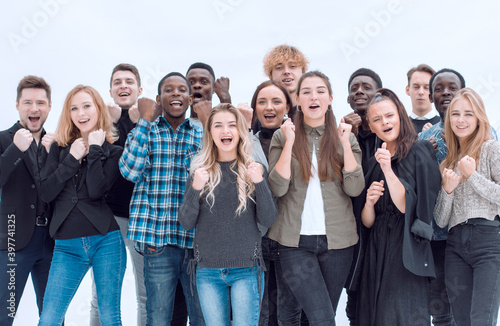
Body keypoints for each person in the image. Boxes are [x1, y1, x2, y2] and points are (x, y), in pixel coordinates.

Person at [268, 70, 364, 325]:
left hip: (338, 244)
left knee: (320, 317)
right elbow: (277, 188)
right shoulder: (282, 136)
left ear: (330, 98)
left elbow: (355, 189)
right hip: (294, 243)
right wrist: (289, 143)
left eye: (320, 91)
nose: (314, 96)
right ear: (297, 99)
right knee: (323, 320)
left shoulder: (346, 137)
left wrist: (345, 144)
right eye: (306, 92)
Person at [179, 103, 277, 326]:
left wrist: (259, 182)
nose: (226, 131)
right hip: (207, 271)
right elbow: (186, 222)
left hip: (247, 270)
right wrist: (195, 188)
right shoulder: (199, 172)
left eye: (232, 125)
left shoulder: (252, 169)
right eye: (218, 126)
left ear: (240, 131)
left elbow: (269, 219)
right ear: (210, 132)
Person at [119, 72, 205, 326]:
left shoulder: (201, 134)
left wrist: (210, 121)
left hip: (195, 243)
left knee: (202, 316)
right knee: (158, 317)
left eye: (181, 90)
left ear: (189, 98)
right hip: (157, 242)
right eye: (169, 90)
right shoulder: (146, 130)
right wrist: (145, 118)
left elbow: (218, 178)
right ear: (159, 98)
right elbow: (130, 171)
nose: (175, 93)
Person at [38, 85, 126, 325]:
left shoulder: (114, 151)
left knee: (109, 316)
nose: (81, 113)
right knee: (49, 318)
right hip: (66, 246)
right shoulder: (58, 147)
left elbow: (97, 191)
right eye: (74, 108)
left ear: (97, 109)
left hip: (105, 241)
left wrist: (95, 149)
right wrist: (72, 158)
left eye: (87, 106)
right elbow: (46, 193)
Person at [357, 88, 440, 325]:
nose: (385, 122)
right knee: (374, 315)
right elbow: (367, 221)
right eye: (377, 119)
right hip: (376, 246)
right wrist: (369, 204)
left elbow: (410, 208)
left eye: (389, 115)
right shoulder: (374, 161)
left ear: (400, 116)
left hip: (406, 247)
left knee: (400, 314)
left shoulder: (419, 150)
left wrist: (388, 170)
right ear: (371, 127)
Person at [434, 87, 500, 326]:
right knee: (461, 321)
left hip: (489, 242)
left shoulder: (492, 148)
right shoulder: (447, 162)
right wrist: (448, 190)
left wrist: (472, 176)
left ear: (479, 117)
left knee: (481, 320)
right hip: (455, 245)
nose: (461, 120)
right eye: (455, 114)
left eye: (468, 114)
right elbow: (441, 220)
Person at [89, 63, 146, 326]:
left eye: (129, 81)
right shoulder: (99, 123)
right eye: (117, 82)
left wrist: (139, 123)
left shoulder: (151, 122)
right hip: (109, 216)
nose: (123, 85)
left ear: (139, 89)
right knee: (102, 296)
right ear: (111, 92)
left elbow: (147, 163)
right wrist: (110, 122)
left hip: (143, 217)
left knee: (147, 295)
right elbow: (94, 164)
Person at [246, 80, 303, 326]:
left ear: (288, 107)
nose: (269, 107)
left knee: (290, 311)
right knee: (257, 311)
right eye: (262, 102)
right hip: (254, 238)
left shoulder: (301, 142)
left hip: (291, 237)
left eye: (276, 101)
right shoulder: (244, 142)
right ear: (254, 109)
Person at [0, 75, 55, 325]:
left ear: (49, 106)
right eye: (28, 103)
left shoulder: (55, 143)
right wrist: (14, 149)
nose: (34, 109)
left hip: (51, 243)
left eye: (41, 103)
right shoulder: (3, 139)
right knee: (5, 313)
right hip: (14, 242)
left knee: (53, 315)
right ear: (17, 105)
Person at [343, 68, 383, 326]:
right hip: (353, 228)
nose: (359, 91)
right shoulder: (342, 134)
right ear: (348, 99)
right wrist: (349, 138)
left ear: (378, 95)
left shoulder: (389, 133)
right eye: (354, 87)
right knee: (354, 301)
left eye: (366, 87)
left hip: (386, 227)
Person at [406, 64, 440, 132]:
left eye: (426, 88)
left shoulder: (445, 126)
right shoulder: (399, 127)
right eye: (416, 87)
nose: (421, 92)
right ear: (407, 90)